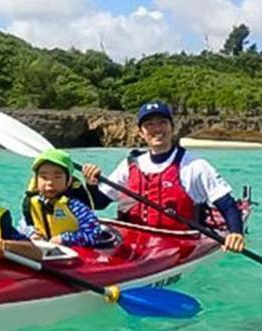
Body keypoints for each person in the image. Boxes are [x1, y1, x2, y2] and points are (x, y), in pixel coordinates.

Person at [81, 101, 246, 253]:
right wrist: (91, 184)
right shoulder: (129, 164)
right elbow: (99, 204)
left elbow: (226, 203)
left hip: (179, 245)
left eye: (162, 123)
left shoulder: (194, 164)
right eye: (149, 125)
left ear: (172, 127)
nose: (156, 129)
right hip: (133, 245)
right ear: (141, 132)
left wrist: (236, 233)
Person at [18, 148, 104, 247]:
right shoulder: (33, 202)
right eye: (44, 177)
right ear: (36, 180)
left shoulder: (76, 206)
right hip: (43, 252)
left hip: (73, 254)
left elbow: (95, 233)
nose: (50, 183)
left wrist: (65, 239)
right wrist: (31, 233)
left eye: (57, 177)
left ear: (68, 181)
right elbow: (23, 225)